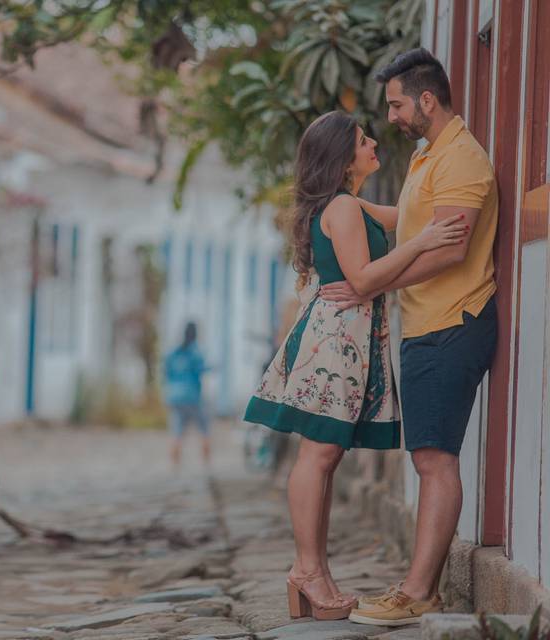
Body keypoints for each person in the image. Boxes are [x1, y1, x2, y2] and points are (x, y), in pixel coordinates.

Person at [244, 111, 468, 621]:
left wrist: (434, 169)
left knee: (325, 455)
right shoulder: (341, 207)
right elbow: (364, 279)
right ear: (344, 157)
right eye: (363, 140)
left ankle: (313, 572)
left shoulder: (351, 203)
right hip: (335, 339)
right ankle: (306, 571)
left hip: (348, 335)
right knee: (319, 455)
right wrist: (424, 243)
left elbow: (407, 213)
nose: (373, 144)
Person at [319, 48, 498, 627]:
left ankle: (419, 592)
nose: (391, 116)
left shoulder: (463, 160)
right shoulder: (430, 156)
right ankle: (417, 587)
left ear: (426, 100)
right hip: (427, 325)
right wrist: (343, 203)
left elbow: (449, 249)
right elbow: (412, 219)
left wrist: (374, 281)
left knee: (434, 459)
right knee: (428, 456)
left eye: (396, 104)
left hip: (453, 322)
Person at [164, 322, 210, 466]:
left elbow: (166, 373)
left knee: (177, 433)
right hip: (192, 397)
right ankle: (206, 465)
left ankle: (175, 466)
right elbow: (201, 370)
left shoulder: (173, 353)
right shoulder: (196, 352)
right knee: (204, 431)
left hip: (175, 397)